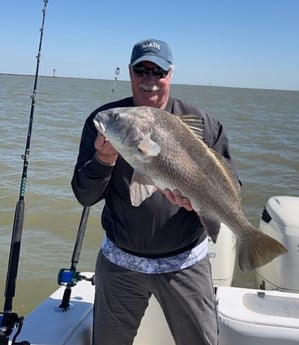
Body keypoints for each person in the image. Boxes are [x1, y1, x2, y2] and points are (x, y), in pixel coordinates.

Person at [71, 38, 240, 345]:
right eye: (141, 70)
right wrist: (104, 159)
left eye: (157, 72)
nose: (149, 80)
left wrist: (201, 201)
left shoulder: (203, 122)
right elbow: (85, 196)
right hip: (120, 263)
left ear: (170, 74)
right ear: (130, 73)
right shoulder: (106, 121)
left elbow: (232, 184)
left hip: (185, 264)